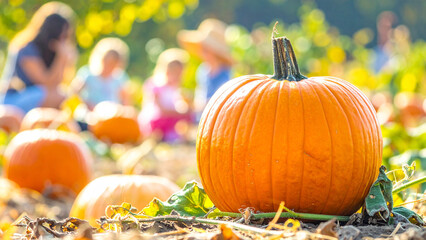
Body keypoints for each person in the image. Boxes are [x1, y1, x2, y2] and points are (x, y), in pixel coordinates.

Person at [1, 13, 75, 113]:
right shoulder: (27, 49)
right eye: (63, 36)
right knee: (51, 95)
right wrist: (61, 58)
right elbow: (46, 84)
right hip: (11, 102)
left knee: (64, 93)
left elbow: (57, 84)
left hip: (33, 98)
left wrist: (64, 60)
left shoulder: (49, 52)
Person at [177, 18, 233, 121]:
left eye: (205, 49)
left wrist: (199, 106)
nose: (202, 53)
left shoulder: (225, 73)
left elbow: (222, 100)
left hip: (217, 121)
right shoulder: (203, 70)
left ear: (214, 52)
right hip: (201, 120)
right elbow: (201, 96)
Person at [139, 48, 191, 142]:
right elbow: (161, 110)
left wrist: (185, 108)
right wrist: (179, 113)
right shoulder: (157, 86)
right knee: (176, 117)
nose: (178, 77)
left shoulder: (175, 89)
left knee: (187, 116)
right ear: (167, 71)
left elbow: (177, 104)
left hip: (168, 118)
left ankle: (176, 136)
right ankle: (157, 136)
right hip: (154, 120)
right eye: (175, 73)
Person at [71, 38, 130, 110]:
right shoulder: (87, 74)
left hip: (112, 116)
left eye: (113, 64)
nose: (109, 67)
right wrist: (86, 104)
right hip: (90, 116)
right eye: (107, 62)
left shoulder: (120, 78)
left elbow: (126, 103)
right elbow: (73, 93)